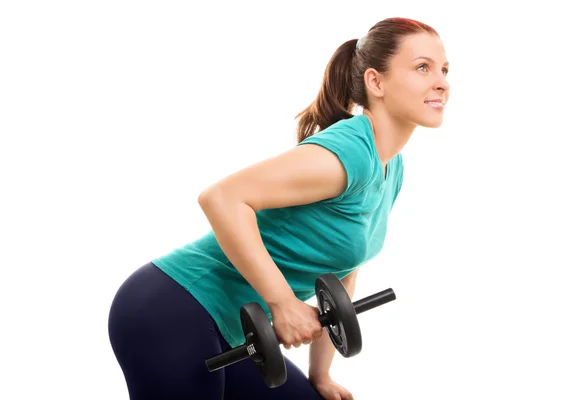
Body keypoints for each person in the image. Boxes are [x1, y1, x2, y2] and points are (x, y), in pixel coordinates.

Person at [108, 16, 450, 400]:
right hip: (172, 309)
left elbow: (340, 277)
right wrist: (283, 303)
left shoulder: (391, 167)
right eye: (423, 67)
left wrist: (320, 374)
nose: (441, 82)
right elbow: (222, 198)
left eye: (443, 69)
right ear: (376, 82)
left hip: (231, 328)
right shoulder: (349, 152)